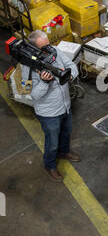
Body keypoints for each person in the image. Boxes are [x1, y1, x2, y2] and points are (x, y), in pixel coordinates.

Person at [27, 30, 80, 182]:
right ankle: (49, 165)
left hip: (65, 105)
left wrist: (70, 74)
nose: (49, 49)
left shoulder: (54, 51)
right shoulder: (28, 65)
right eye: (44, 48)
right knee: (52, 142)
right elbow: (33, 95)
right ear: (35, 49)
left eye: (49, 45)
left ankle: (64, 152)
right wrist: (44, 83)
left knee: (66, 133)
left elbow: (71, 64)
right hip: (48, 113)